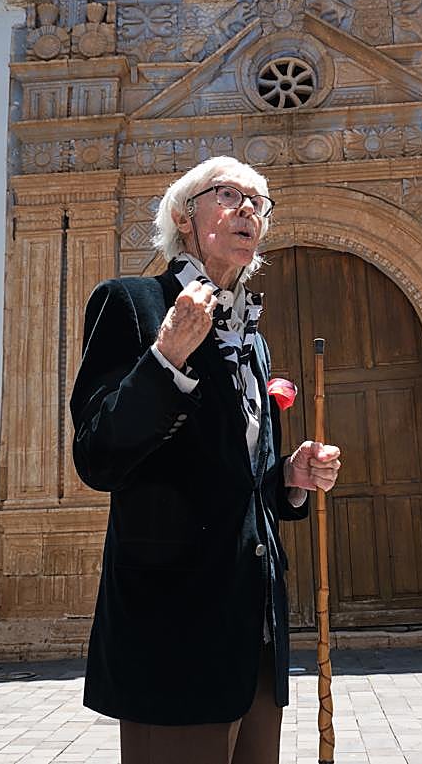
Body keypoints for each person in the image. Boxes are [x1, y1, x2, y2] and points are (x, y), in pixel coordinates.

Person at [69, 155, 341, 764]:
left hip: (254, 625)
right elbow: (97, 454)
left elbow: (235, 475)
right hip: (173, 625)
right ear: (184, 219)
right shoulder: (132, 304)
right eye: (228, 195)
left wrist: (288, 477)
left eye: (259, 203)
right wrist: (166, 359)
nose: (249, 209)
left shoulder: (255, 338)